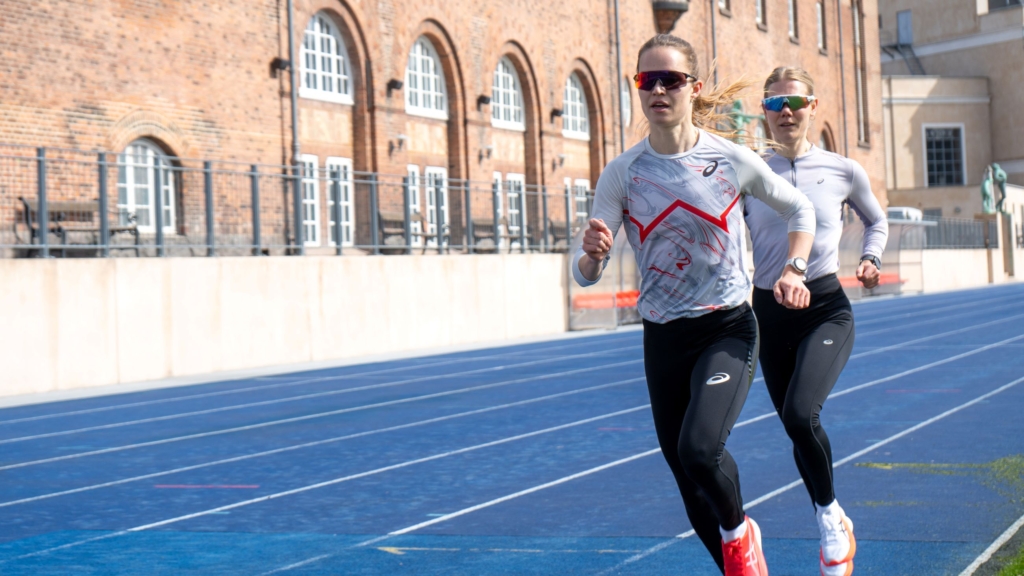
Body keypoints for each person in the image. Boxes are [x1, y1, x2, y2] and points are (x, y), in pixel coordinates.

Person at [574, 35, 816, 576]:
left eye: (671, 80)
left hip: (726, 328)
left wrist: (794, 269)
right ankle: (736, 564)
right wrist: (590, 256)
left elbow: (801, 210)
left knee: (699, 449)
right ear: (637, 88)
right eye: (647, 80)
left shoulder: (730, 160)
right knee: (687, 478)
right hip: (662, 337)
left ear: (693, 88)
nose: (658, 89)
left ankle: (739, 532)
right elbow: (584, 272)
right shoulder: (622, 174)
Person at [744, 66, 888, 576]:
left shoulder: (843, 169)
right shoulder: (748, 172)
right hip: (768, 312)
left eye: (795, 103)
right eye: (774, 104)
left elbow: (877, 219)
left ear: (813, 106)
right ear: (763, 111)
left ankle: (830, 521)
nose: (786, 113)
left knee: (803, 414)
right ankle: (832, 515)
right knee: (792, 425)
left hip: (825, 306)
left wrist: (871, 258)